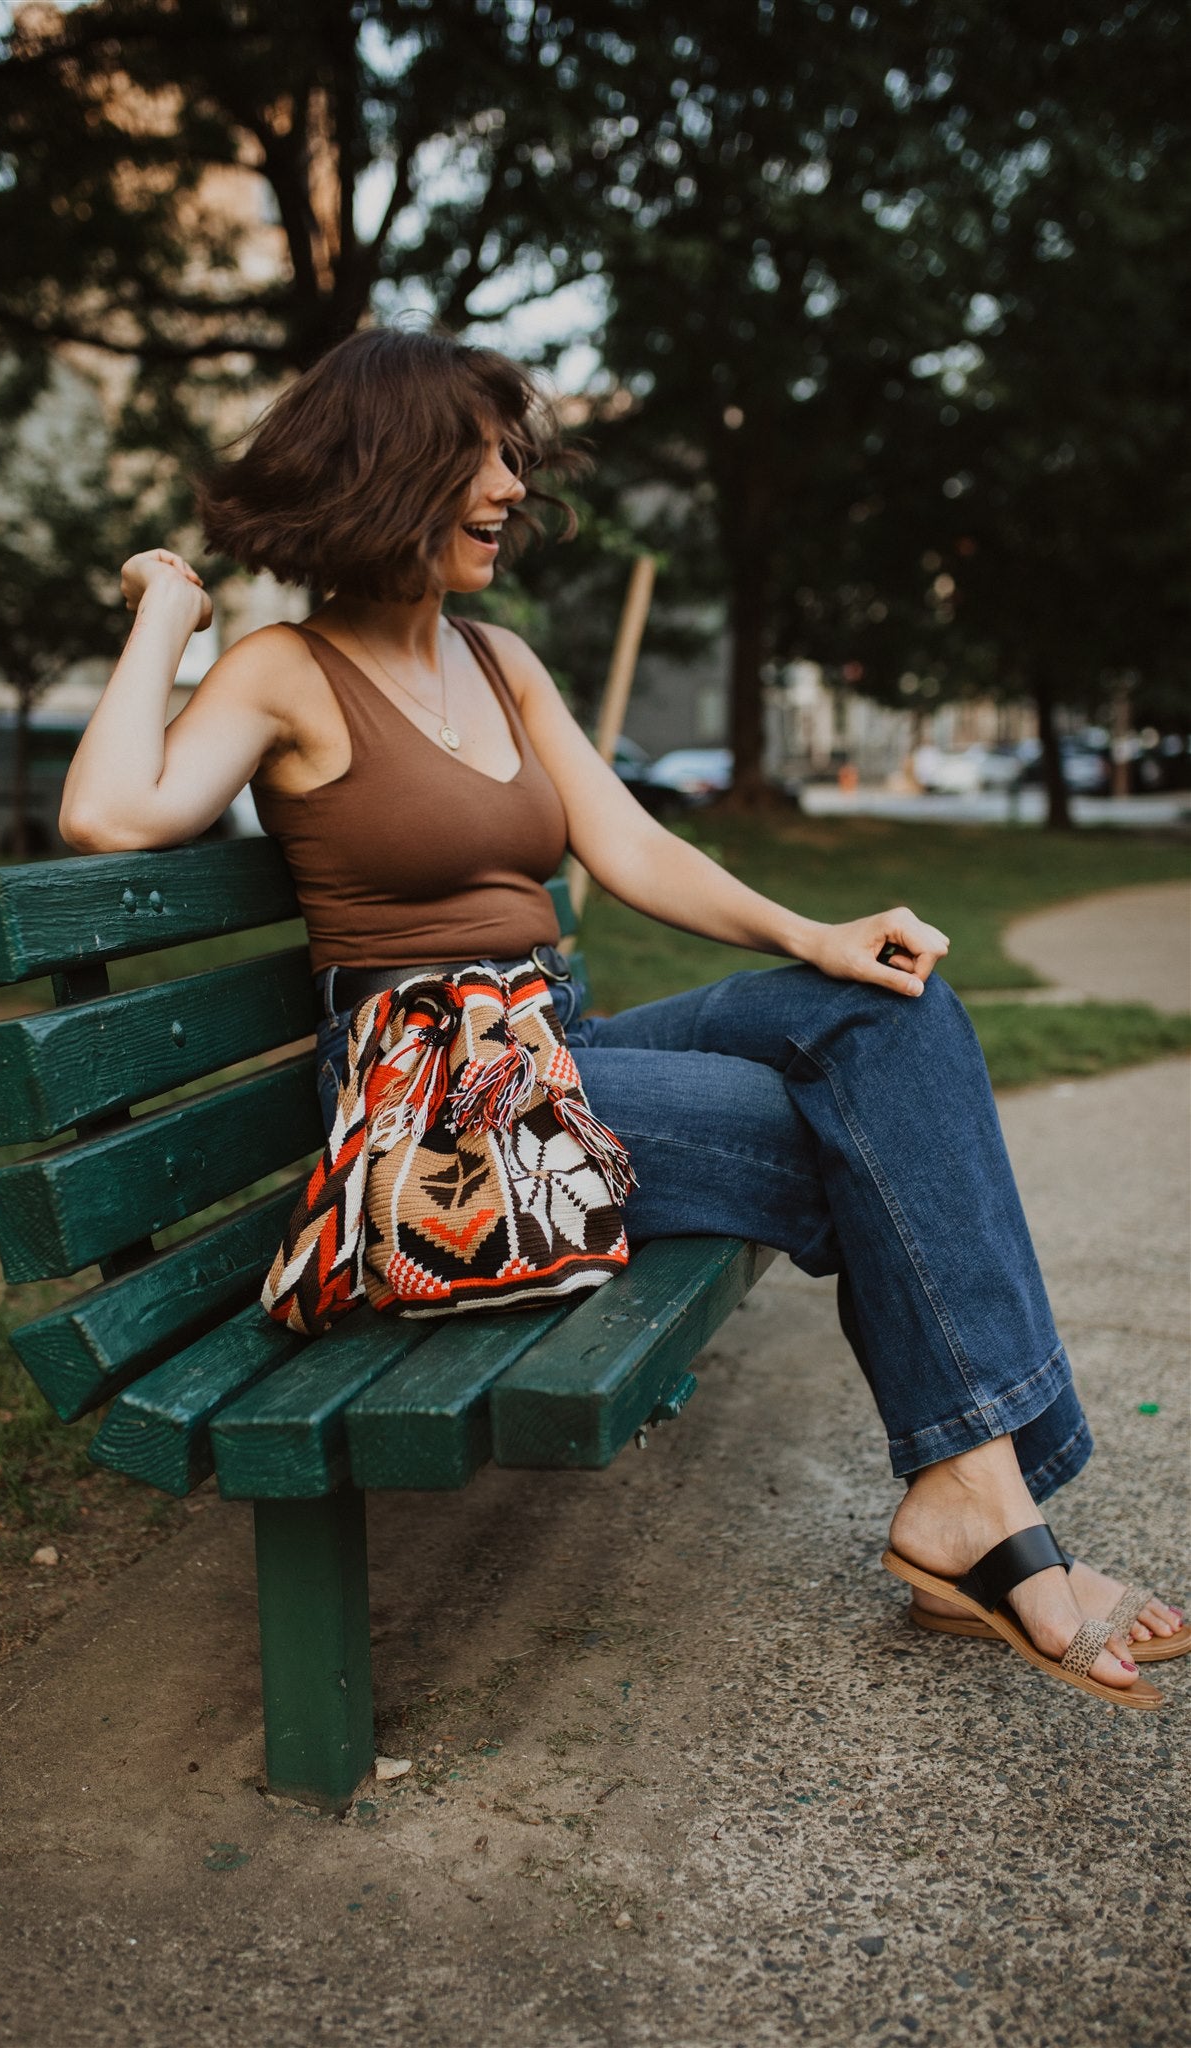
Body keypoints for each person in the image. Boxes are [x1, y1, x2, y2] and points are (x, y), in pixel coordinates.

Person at [60, 326, 1185, 1707]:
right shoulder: (284, 669)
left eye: (512, 458)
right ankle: (990, 1524)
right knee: (855, 1133)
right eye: (478, 456)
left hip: (552, 1042)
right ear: (388, 468)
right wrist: (169, 616)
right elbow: (112, 814)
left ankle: (973, 1503)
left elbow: (631, 847)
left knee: (888, 1014)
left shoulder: (498, 659)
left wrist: (807, 934)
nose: (508, 488)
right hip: (433, 1097)